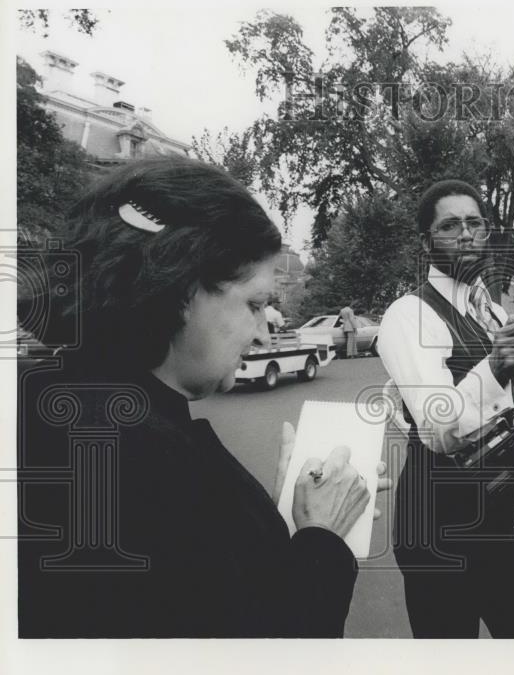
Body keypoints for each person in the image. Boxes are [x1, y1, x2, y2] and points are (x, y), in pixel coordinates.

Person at [18, 158, 388, 638]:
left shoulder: (54, 401)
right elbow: (255, 669)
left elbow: (200, 585)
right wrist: (323, 539)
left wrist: (267, 521)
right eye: (254, 304)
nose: (261, 334)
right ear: (179, 289)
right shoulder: (140, 456)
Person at [378, 179, 514, 638]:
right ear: (426, 241)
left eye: (475, 223)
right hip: (438, 528)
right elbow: (440, 427)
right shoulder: (408, 314)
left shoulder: (494, 314)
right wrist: (495, 365)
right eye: (450, 225)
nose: (466, 234)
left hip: (499, 519)